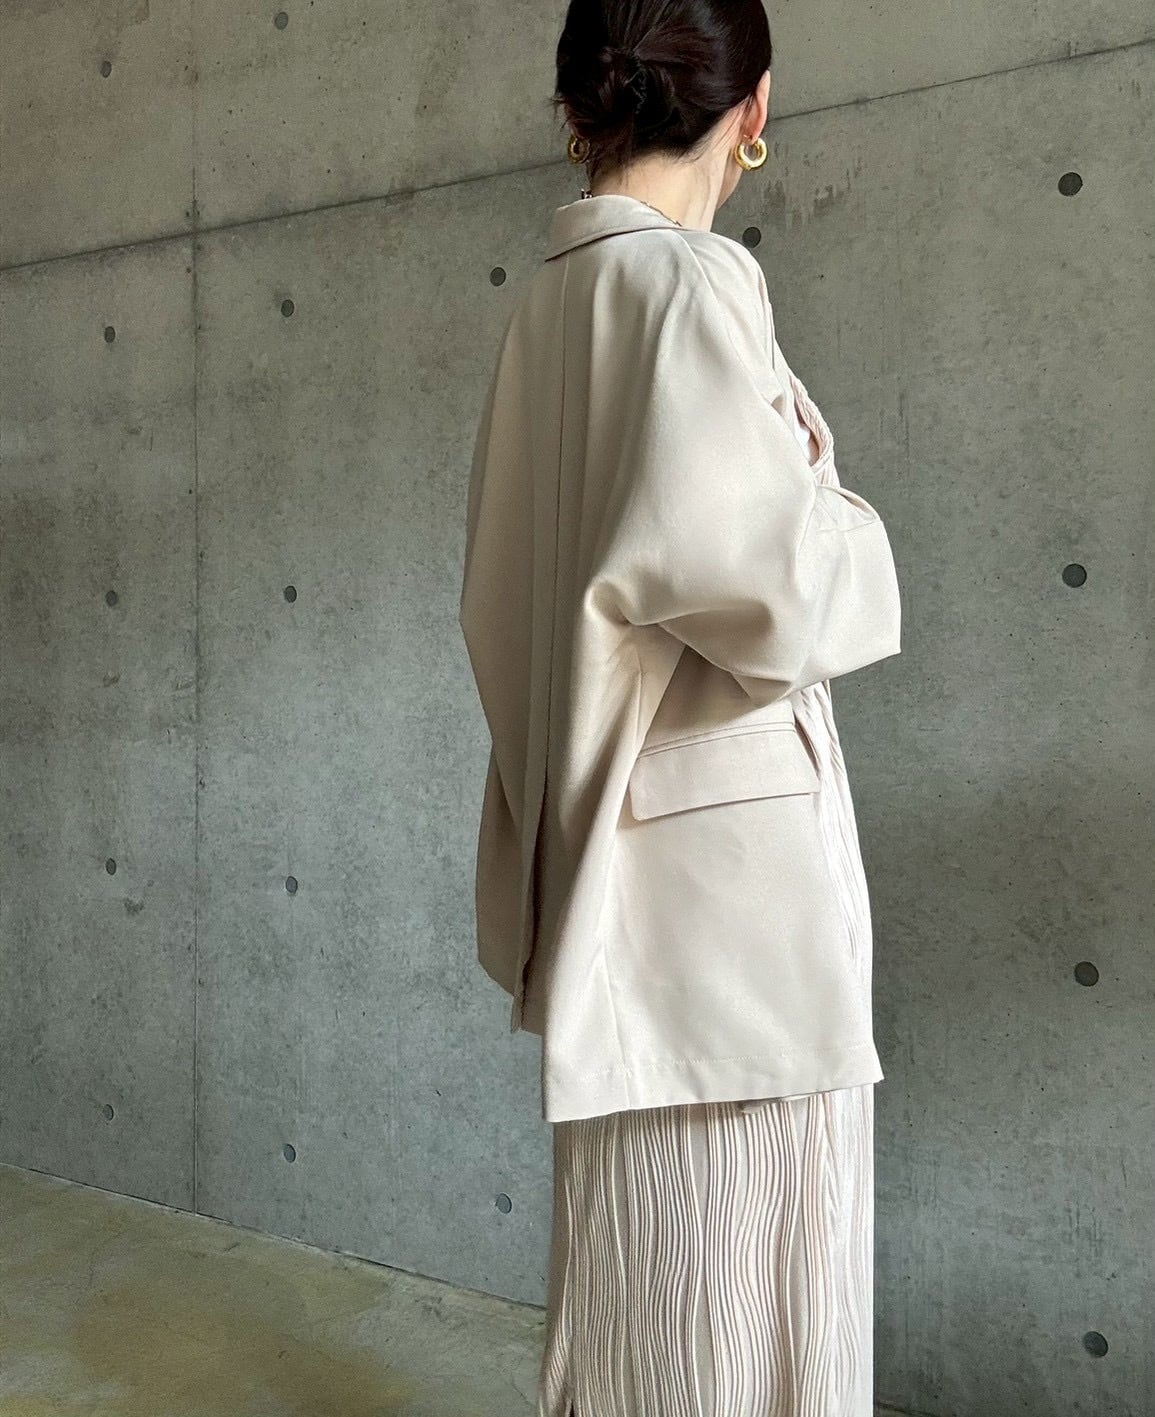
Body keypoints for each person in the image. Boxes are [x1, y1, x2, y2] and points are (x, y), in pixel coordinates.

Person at [458, 2, 903, 1413]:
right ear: (752, 106)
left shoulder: (549, 306)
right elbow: (787, 597)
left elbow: (509, 610)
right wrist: (852, 519)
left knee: (644, 1309)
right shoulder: (690, 285)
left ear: (582, 101)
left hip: (610, 887)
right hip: (730, 923)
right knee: (754, 1318)